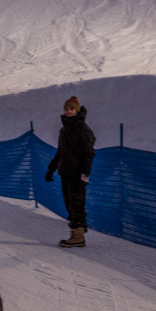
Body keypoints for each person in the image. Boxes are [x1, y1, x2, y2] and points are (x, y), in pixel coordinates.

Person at [45, 96, 95, 248]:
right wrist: (51, 169)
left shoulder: (83, 130)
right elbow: (61, 152)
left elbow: (88, 153)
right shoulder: (64, 130)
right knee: (69, 204)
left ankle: (78, 236)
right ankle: (75, 232)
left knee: (77, 203)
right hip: (65, 172)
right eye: (66, 108)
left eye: (72, 109)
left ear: (77, 110)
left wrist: (85, 173)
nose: (68, 111)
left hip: (77, 173)